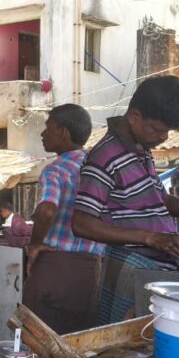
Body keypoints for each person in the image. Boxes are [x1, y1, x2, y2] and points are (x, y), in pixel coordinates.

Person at [72, 76, 179, 324]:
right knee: (134, 336)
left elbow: (164, 202)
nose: (163, 137)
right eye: (158, 130)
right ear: (134, 116)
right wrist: (150, 237)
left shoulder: (141, 150)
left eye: (167, 131)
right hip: (130, 268)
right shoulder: (104, 156)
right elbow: (81, 224)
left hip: (155, 268)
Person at [25, 104, 105, 274]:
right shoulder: (99, 166)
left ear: (63, 132)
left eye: (48, 129)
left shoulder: (55, 170)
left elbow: (46, 211)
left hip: (59, 261)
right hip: (96, 263)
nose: (43, 134)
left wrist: (35, 244)